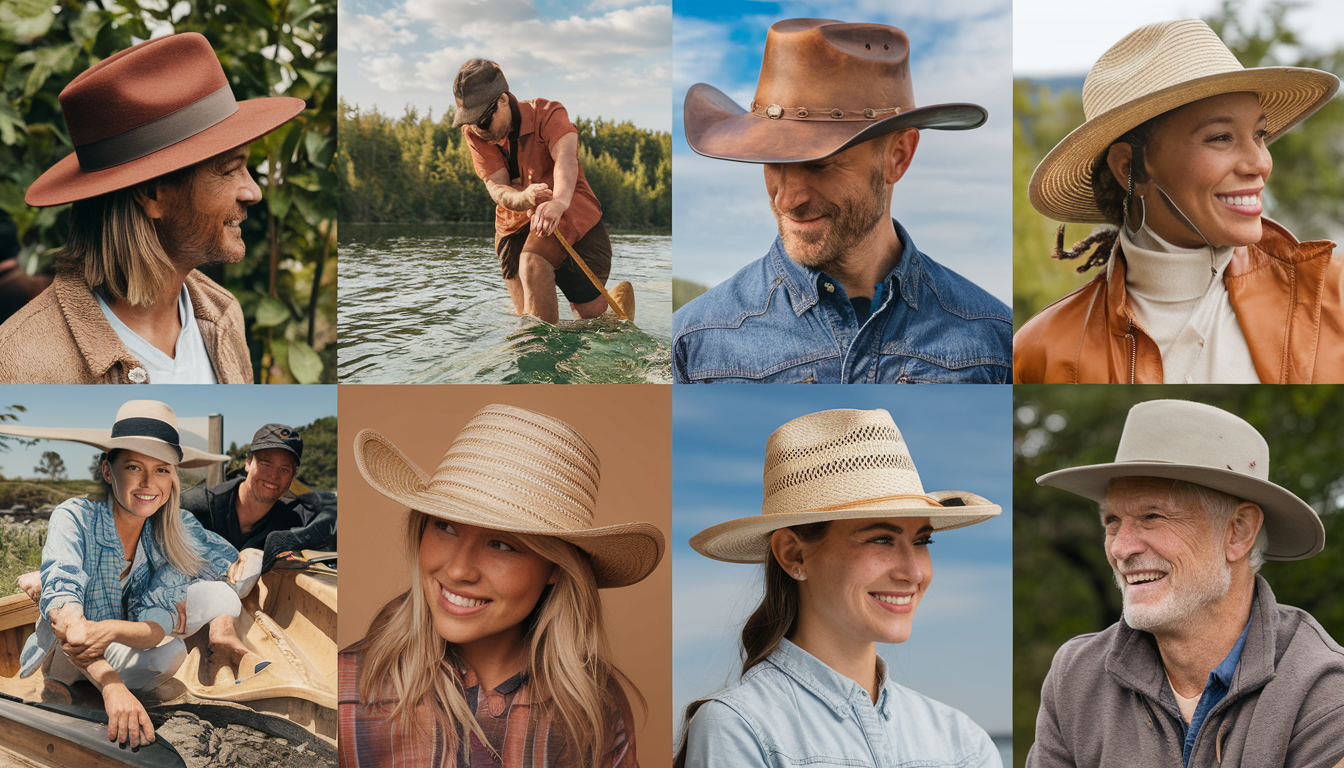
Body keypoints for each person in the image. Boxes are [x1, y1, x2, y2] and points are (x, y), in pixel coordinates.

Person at [671, 19, 1012, 384]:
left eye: (819, 165)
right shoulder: (695, 340)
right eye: (773, 163)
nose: (787, 199)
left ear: (898, 156)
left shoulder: (995, 341)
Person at [1014, 19, 1344, 384]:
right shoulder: (1041, 351)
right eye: (1221, 137)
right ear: (1130, 167)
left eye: (1259, 134)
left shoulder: (1334, 297)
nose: (1261, 163)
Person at [338, 404, 665, 766]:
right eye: (445, 526)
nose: (459, 570)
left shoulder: (597, 708)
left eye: (502, 544)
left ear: (555, 568)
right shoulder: (344, 689)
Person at [677, 408, 1002, 767]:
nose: (913, 572)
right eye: (880, 539)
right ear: (793, 554)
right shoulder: (739, 728)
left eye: (923, 541)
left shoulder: (964, 741)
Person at [1027, 399, 1344, 767]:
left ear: (1238, 532)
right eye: (1112, 520)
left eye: (1152, 516)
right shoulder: (1076, 676)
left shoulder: (1325, 690)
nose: (1121, 547)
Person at [0, 32, 304, 384]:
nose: (253, 191)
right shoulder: (20, 367)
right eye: (229, 170)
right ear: (152, 194)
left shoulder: (222, 315)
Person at [14, 401, 249, 750]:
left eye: (162, 470)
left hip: (112, 636)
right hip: (73, 643)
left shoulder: (170, 533)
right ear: (108, 471)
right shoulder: (74, 516)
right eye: (135, 466)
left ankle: (90, 676)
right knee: (70, 620)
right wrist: (113, 687)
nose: (148, 483)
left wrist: (111, 629)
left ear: (173, 477)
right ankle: (61, 675)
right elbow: (72, 624)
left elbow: (154, 629)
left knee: (171, 654)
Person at [454, 59, 633, 325]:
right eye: (471, 121)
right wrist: (524, 198)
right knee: (526, 313)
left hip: (566, 214)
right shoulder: (476, 133)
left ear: (503, 100)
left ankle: (607, 323)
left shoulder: (549, 113)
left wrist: (558, 201)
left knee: (590, 318)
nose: (479, 128)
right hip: (512, 226)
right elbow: (496, 186)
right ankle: (539, 349)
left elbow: (566, 159)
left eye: (483, 119)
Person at [182, 423, 336, 580]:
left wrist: (301, 538)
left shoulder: (294, 521)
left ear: (294, 474)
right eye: (265, 463)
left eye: (284, 469)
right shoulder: (196, 507)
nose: (273, 475)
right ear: (248, 462)